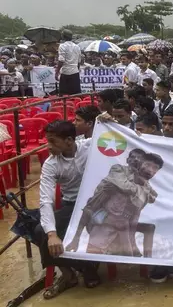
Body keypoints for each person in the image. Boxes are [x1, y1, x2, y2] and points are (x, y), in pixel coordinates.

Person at [34, 121, 99, 299]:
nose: (49, 147)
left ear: (70, 140)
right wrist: (52, 234)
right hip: (71, 205)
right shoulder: (50, 164)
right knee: (41, 231)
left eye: (53, 142)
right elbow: (46, 200)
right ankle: (71, 273)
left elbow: (118, 137)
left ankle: (87, 266)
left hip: (97, 203)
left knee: (101, 227)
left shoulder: (89, 145)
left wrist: (109, 120)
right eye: (48, 141)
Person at [65, 150, 163, 257]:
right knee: (93, 255)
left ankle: (147, 262)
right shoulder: (119, 171)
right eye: (147, 164)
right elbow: (91, 207)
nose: (149, 170)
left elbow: (152, 197)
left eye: (155, 168)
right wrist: (76, 238)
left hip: (125, 225)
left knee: (146, 228)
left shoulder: (144, 183)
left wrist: (131, 240)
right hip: (104, 220)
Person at [56, 29, 81, 95]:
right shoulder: (77, 47)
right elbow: (78, 62)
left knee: (64, 96)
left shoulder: (62, 46)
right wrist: (76, 71)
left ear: (63, 36)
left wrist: (57, 72)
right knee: (76, 95)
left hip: (65, 73)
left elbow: (61, 61)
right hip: (75, 73)